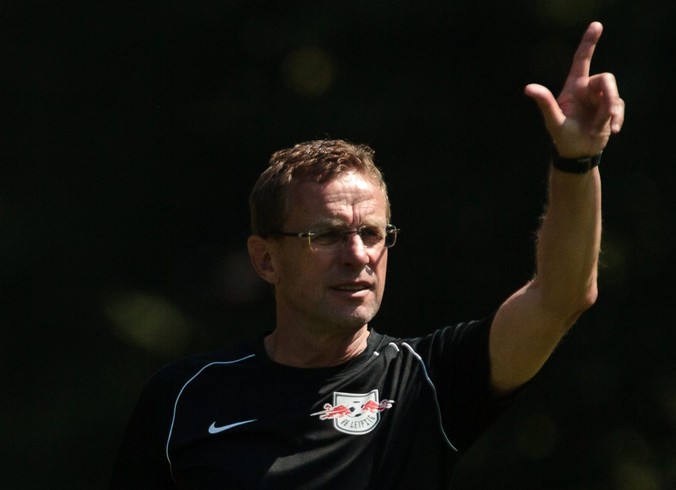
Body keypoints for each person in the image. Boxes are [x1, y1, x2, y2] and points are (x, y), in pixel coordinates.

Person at [110, 21, 624, 489]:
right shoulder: (183, 399)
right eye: (328, 235)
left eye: (373, 234)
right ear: (266, 260)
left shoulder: (427, 382)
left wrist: (577, 162)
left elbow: (561, 297)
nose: (358, 256)